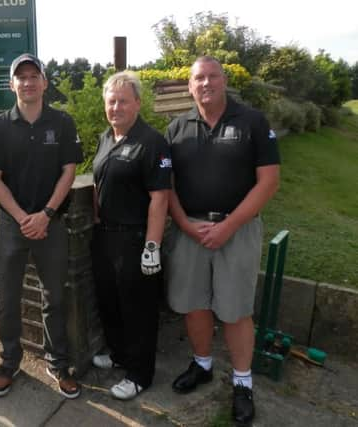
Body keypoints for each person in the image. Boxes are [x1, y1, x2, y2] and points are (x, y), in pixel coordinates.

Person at [165, 56, 280, 425]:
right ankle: (202, 365)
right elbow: (164, 186)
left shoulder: (253, 122)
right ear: (190, 85)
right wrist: (182, 222)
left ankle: (243, 383)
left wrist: (229, 226)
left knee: (235, 309)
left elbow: (268, 182)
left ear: (224, 79)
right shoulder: (176, 128)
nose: (206, 83)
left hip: (238, 230)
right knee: (194, 303)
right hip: (190, 232)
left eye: (213, 76)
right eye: (199, 78)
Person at [0, 53, 83, 399]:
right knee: (7, 296)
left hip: (51, 223)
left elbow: (69, 172)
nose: (27, 82)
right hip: (13, 224)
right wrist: (24, 217)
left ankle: (58, 362)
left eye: (33, 76)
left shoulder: (63, 123)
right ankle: (9, 361)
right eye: (20, 77)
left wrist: (46, 214)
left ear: (44, 82)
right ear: (12, 84)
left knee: (54, 295)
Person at [90, 71, 171, 400]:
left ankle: (140, 374)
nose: (116, 106)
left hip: (136, 238)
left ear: (137, 103)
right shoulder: (105, 138)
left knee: (138, 308)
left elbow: (160, 197)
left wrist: (152, 246)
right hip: (105, 236)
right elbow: (97, 183)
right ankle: (121, 354)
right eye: (111, 101)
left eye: (123, 100)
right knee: (110, 301)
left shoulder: (152, 142)